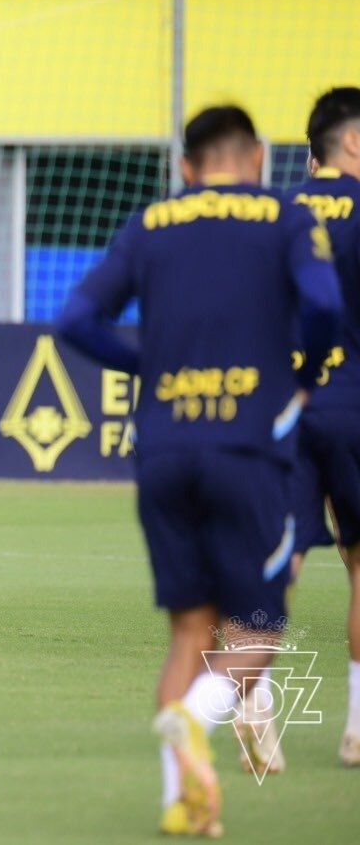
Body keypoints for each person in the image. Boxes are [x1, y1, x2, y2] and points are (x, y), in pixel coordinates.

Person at [56, 105, 342, 836]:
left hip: (162, 448)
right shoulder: (281, 217)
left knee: (189, 631)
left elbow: (77, 320)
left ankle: (178, 804)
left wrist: (150, 367)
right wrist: (301, 371)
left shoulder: (153, 223)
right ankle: (196, 717)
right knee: (257, 627)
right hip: (245, 446)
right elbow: (322, 304)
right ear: (255, 158)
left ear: (187, 166)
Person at [287, 86, 360, 769]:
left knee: (278, 559)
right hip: (354, 404)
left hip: (282, 409)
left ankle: (251, 707)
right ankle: (356, 726)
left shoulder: (277, 212)